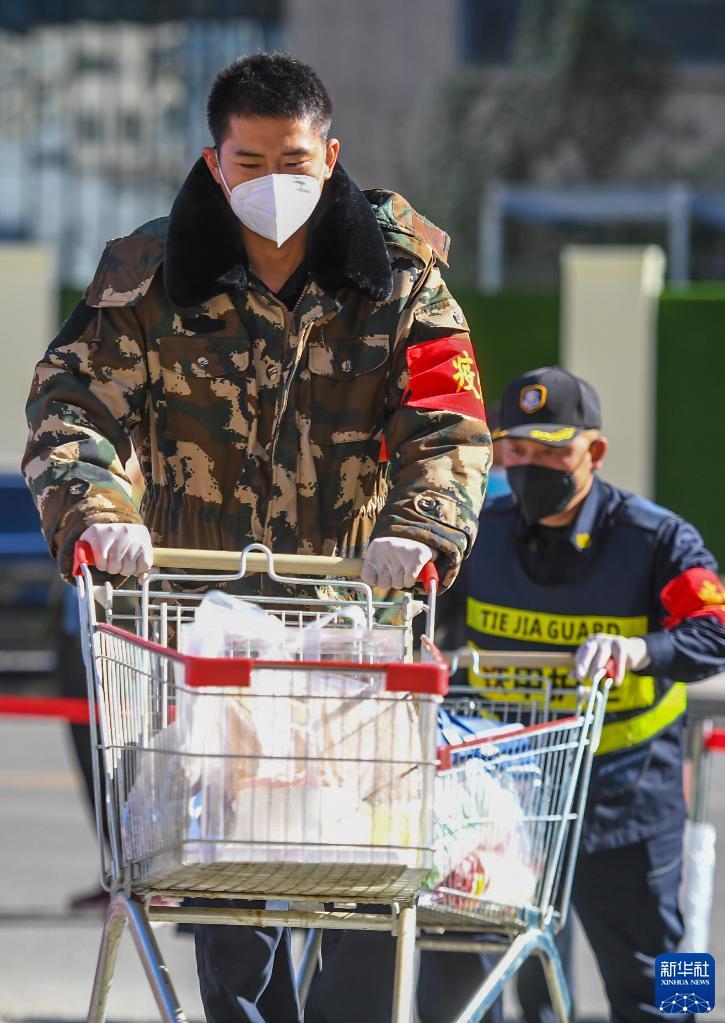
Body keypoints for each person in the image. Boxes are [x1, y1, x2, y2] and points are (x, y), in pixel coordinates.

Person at [23, 52, 490, 1023]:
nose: (273, 183)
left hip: (348, 624)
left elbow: (444, 421)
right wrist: (99, 514)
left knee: (356, 872)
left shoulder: (400, 282)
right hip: (200, 627)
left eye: (294, 160)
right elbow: (73, 408)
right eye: (249, 163)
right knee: (228, 879)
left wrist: (416, 529)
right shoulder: (146, 278)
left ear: (331, 155)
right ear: (213, 161)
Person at [442, 365, 725, 1023]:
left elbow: (713, 629)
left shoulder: (654, 538)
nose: (530, 464)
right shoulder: (477, 530)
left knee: (665, 968)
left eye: (551, 449)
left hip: (628, 792)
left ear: (592, 452)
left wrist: (638, 650)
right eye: (515, 448)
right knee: (481, 969)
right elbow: (430, 623)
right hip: (506, 791)